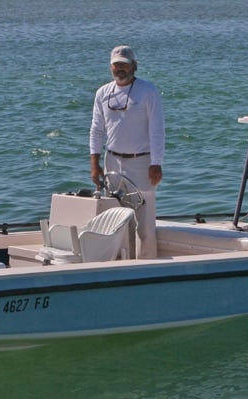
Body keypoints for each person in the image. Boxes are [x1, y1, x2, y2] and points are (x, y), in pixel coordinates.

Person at [89, 44, 165, 259]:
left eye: (124, 65)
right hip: (113, 161)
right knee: (115, 220)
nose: (120, 69)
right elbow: (96, 129)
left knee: (145, 223)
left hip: (142, 163)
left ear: (134, 66)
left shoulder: (148, 91)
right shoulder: (103, 93)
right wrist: (95, 164)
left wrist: (156, 163)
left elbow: (157, 130)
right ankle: (119, 263)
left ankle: (148, 265)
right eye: (116, 65)